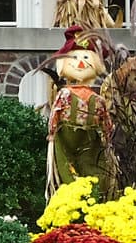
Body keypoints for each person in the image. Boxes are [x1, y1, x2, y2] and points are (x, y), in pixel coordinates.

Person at [46, 25, 115, 201]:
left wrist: (107, 137)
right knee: (67, 172)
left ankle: (93, 199)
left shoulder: (97, 99)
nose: (81, 63)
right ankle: (72, 201)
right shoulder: (65, 94)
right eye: (74, 58)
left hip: (90, 141)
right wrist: (52, 134)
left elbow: (105, 120)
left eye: (86, 58)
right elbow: (55, 114)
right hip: (65, 138)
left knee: (93, 171)